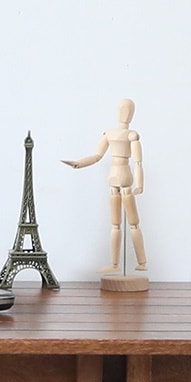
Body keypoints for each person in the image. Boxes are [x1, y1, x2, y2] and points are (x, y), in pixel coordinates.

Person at [64, 99, 147, 278]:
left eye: (128, 110)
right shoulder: (109, 134)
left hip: (125, 177)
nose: (125, 113)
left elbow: (138, 162)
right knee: (115, 224)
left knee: (133, 223)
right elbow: (97, 156)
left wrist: (140, 185)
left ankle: (142, 262)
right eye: (123, 109)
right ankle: (115, 264)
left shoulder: (132, 135)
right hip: (114, 178)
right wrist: (79, 163)